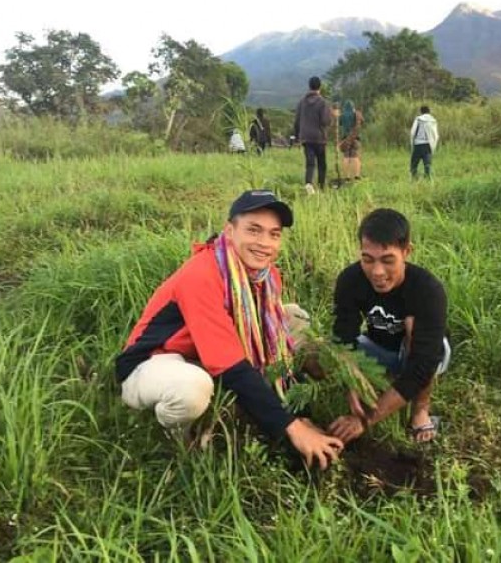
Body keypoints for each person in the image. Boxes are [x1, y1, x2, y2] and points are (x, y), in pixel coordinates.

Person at [116, 190, 343, 469]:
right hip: (155, 361)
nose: (264, 243)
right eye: (254, 231)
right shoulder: (202, 274)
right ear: (230, 230)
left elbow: (275, 346)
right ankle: (176, 435)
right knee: (192, 389)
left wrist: (300, 413)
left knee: (293, 318)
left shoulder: (266, 275)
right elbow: (232, 366)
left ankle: (279, 401)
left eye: (274, 234)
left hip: (200, 352)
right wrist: (293, 429)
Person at [328, 208, 451, 444]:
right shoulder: (350, 280)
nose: (377, 272)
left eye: (387, 260)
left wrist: (365, 420)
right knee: (319, 353)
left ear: (406, 252)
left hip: (419, 352)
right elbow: (344, 337)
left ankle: (420, 411)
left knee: (413, 328)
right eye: (367, 259)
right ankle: (385, 377)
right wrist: (350, 382)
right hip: (376, 344)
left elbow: (423, 365)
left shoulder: (427, 290)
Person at [293, 76, 332, 193]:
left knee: (310, 163)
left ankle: (309, 183)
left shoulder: (302, 102)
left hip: (306, 137)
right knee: (321, 164)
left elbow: (296, 121)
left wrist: (297, 136)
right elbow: (326, 121)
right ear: (319, 87)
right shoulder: (323, 102)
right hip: (319, 137)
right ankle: (321, 187)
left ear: (309, 86)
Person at [409, 105, 439, 179]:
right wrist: (433, 146)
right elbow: (436, 135)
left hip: (418, 144)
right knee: (427, 164)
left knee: (414, 164)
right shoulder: (433, 120)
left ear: (421, 111)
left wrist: (412, 143)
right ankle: (428, 179)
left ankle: (414, 178)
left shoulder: (418, 119)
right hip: (428, 145)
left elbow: (412, 132)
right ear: (429, 111)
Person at [338, 100, 363, 181]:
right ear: (353, 107)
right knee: (355, 156)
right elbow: (362, 122)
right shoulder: (356, 114)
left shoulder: (342, 115)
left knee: (346, 157)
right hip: (355, 138)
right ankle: (357, 176)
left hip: (345, 138)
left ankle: (347, 177)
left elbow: (339, 123)